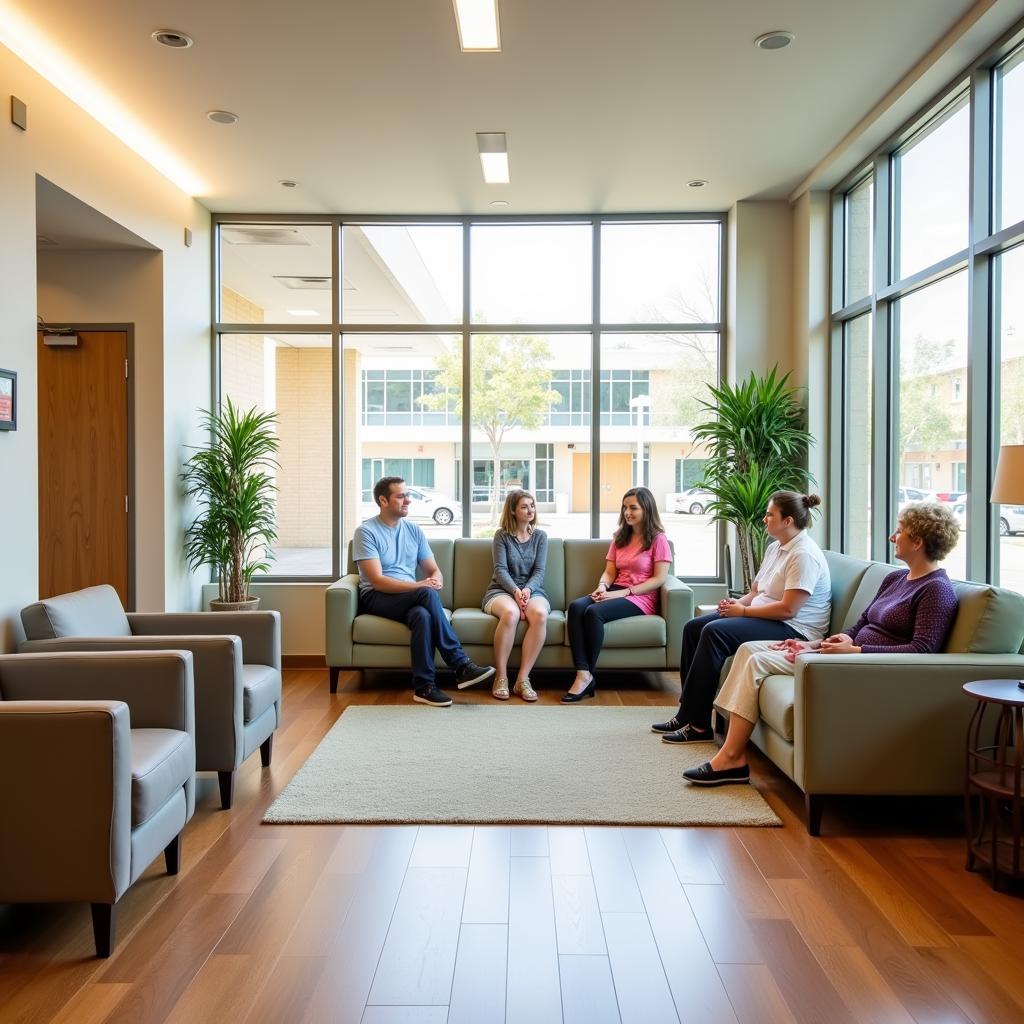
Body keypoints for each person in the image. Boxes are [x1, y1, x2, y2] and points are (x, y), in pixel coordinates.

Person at [683, 501, 961, 786]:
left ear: (917, 542)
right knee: (748, 649)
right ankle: (723, 743)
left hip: (863, 665)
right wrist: (813, 645)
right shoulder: (896, 578)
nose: (892, 537)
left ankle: (731, 758)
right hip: (842, 654)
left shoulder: (936, 590)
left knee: (756, 660)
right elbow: (862, 622)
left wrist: (856, 651)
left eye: (899, 532)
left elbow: (923, 650)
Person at [653, 490, 832, 742]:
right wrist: (736, 604)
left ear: (788, 521)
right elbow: (757, 591)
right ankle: (687, 713)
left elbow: (788, 609)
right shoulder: (775, 548)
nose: (764, 519)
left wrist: (744, 611)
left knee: (713, 633)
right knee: (693, 628)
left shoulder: (803, 554)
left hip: (794, 628)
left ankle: (700, 727)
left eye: (770, 515)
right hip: (768, 617)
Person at [353, 476, 494, 707]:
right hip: (376, 597)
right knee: (426, 594)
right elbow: (377, 581)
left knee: (423, 615)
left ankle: (424, 687)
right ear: (383, 500)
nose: (408, 500)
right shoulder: (366, 532)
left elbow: (433, 569)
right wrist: (422, 586)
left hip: (407, 597)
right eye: (400, 496)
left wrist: (435, 580)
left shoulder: (413, 530)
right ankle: (460, 664)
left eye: (407, 494)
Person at [563, 487, 672, 703]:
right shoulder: (620, 537)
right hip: (616, 589)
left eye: (633, 508)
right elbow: (610, 571)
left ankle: (585, 676)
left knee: (593, 613)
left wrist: (624, 593)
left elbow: (659, 579)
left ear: (647, 509)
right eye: (625, 508)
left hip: (641, 597)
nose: (627, 513)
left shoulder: (659, 540)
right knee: (576, 607)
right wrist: (602, 587)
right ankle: (584, 674)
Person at [483, 489, 549, 702]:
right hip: (501, 590)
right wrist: (516, 591)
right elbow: (500, 569)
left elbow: (539, 571)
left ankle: (522, 680)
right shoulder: (501, 536)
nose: (530, 510)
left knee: (539, 614)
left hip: (533, 590)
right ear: (512, 510)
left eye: (532, 505)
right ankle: (501, 677)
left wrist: (527, 590)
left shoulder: (540, 537)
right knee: (510, 613)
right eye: (524, 506)